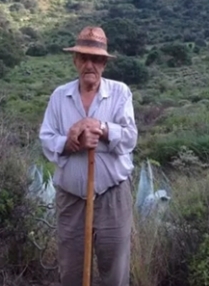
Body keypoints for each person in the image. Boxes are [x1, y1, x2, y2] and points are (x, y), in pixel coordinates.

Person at [39, 26, 138, 286]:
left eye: (95, 59)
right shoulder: (60, 96)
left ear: (104, 63)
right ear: (75, 61)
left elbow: (130, 138)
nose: (89, 65)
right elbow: (47, 140)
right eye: (83, 58)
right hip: (71, 200)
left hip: (112, 197)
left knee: (114, 274)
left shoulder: (120, 93)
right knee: (71, 272)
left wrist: (102, 129)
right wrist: (73, 142)